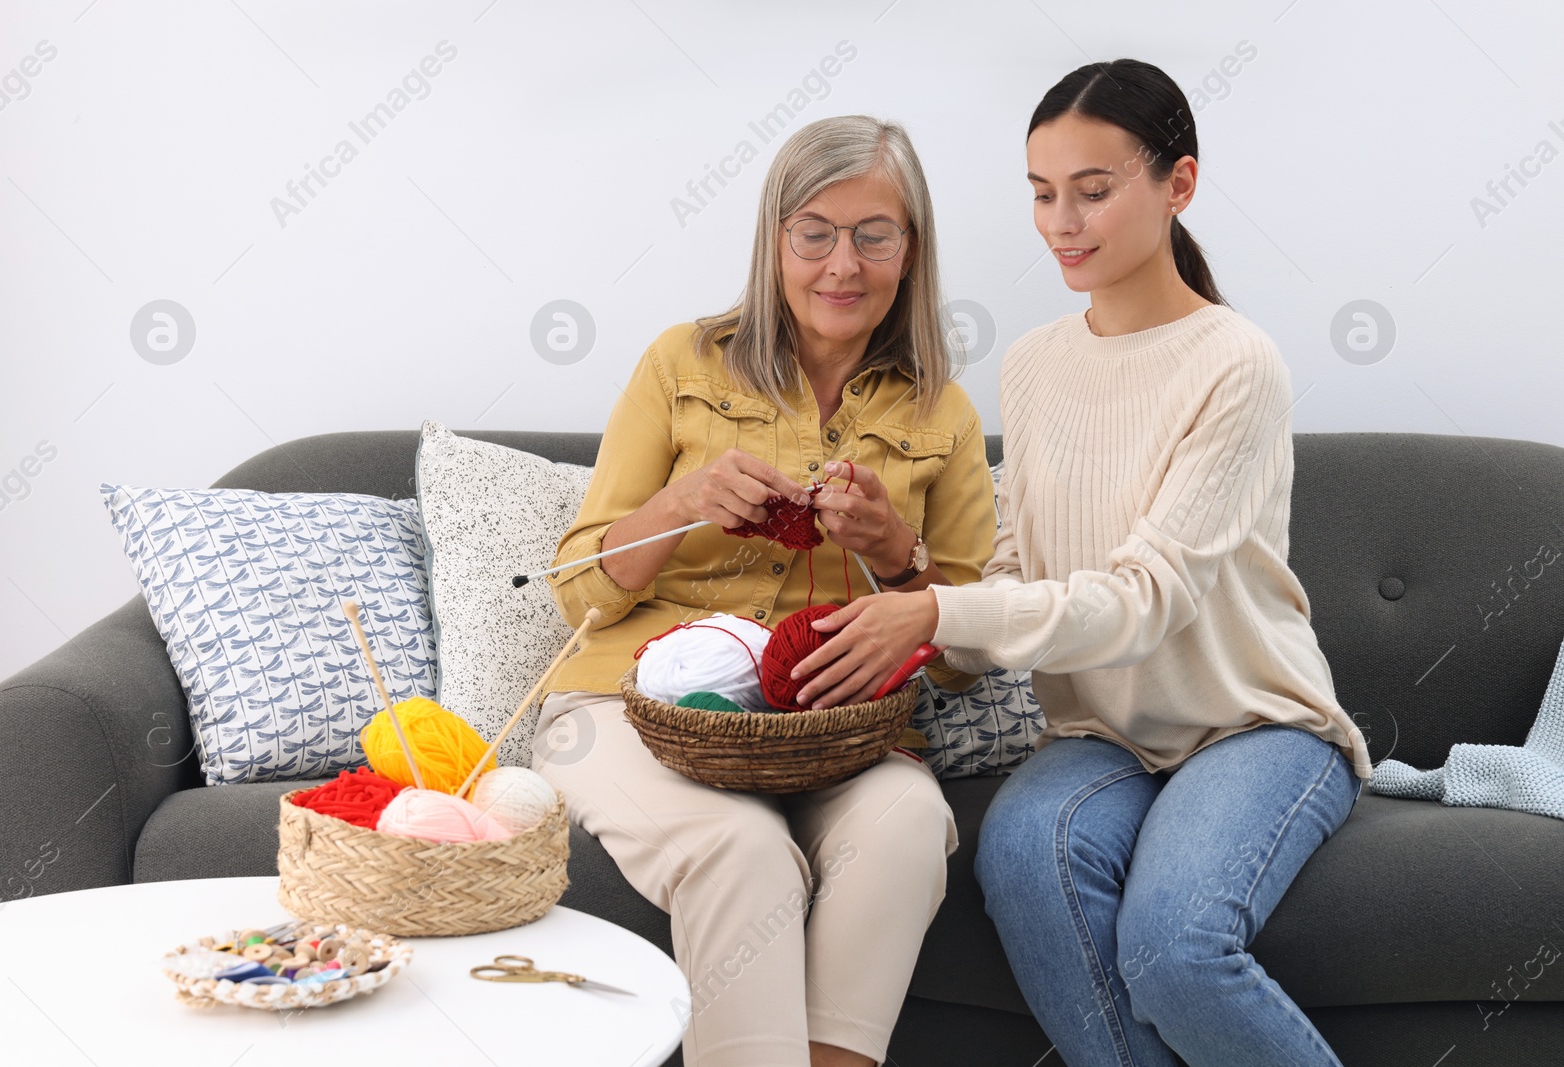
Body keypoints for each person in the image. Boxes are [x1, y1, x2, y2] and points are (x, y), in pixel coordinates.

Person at [792, 61, 1374, 1065]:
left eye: (1093, 190)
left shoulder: (1234, 363)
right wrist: (903, 567)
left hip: (1253, 725)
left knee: (1174, 950)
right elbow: (1012, 590)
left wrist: (936, 617)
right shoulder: (1033, 362)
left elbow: (1142, 602)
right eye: (1041, 192)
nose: (1062, 220)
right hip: (1099, 734)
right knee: (1018, 855)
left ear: (1177, 184)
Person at [534, 114, 997, 1067]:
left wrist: (902, 558)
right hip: (634, 707)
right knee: (743, 854)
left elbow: (966, 659)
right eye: (814, 232)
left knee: (912, 824)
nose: (843, 263)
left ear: (910, 253)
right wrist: (682, 503)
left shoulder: (940, 410)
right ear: (774, 241)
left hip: (835, 728)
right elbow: (576, 592)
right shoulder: (681, 364)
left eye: (875, 234)